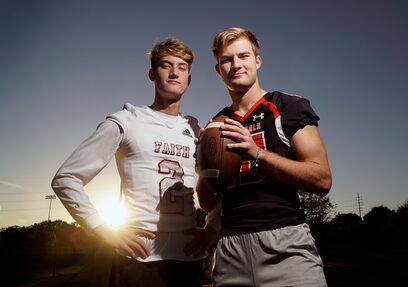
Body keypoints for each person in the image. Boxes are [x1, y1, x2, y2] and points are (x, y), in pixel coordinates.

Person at [51, 37, 218, 287]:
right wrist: (103, 230)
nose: (174, 73)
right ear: (152, 74)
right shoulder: (126, 121)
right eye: (166, 65)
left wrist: (213, 228)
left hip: (187, 257)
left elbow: (225, 187)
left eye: (182, 67)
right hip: (138, 258)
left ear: (189, 79)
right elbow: (66, 179)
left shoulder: (198, 130)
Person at [197, 27, 332, 286]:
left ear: (257, 61)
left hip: (285, 243)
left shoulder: (287, 107)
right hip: (230, 247)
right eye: (226, 60)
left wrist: (258, 153)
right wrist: (202, 166)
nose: (236, 65)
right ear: (218, 69)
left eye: (243, 56)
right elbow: (206, 203)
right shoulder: (216, 125)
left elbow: (322, 179)